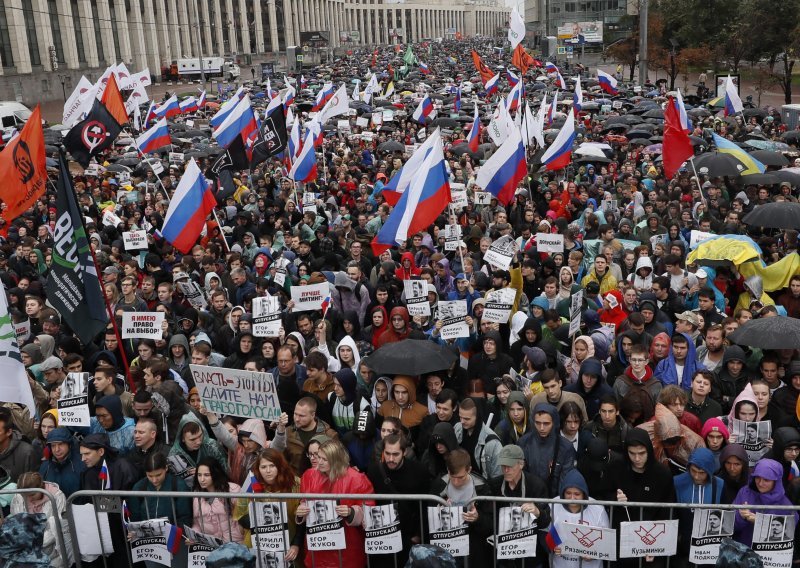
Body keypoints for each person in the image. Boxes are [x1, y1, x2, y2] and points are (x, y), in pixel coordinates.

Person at [297, 438, 374, 568]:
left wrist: (351, 512)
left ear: (336, 459)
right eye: (318, 457)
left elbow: (369, 511)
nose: (318, 462)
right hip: (318, 548)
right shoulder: (309, 475)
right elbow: (304, 502)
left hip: (348, 547)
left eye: (324, 459)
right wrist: (301, 512)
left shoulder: (357, 479)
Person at [234, 448, 302, 563]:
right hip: (257, 545)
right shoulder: (252, 483)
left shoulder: (294, 484)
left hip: (287, 545)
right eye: (263, 467)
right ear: (258, 468)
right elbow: (241, 516)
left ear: (280, 466)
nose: (268, 471)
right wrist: (265, 523)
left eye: (272, 466)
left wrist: (296, 544)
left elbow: (301, 519)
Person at [548, 469, 610, 568]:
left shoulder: (597, 508)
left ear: (584, 494)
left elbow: (607, 540)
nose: (572, 498)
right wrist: (552, 546)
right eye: (568, 493)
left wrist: (593, 555)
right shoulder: (553, 504)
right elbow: (545, 531)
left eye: (577, 494)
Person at [732, 458, 799, 545]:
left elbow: (788, 533)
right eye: (757, 478)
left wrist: (761, 522)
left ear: (776, 481)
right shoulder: (745, 492)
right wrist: (741, 516)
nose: (760, 483)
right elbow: (730, 525)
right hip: (744, 550)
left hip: (770, 554)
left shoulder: (785, 504)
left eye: (766, 480)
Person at [517, 403, 576, 496]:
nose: (541, 428)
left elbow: (565, 480)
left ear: (554, 423)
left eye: (546, 424)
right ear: (533, 422)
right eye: (538, 423)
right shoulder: (523, 443)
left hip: (555, 499)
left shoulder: (565, 447)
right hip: (529, 498)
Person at [191, 457, 244, 543]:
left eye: (206, 475)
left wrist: (240, 530)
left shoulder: (233, 489)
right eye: (199, 475)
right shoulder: (197, 495)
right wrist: (193, 535)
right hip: (211, 545)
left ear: (215, 474)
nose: (202, 479)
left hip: (234, 543)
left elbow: (244, 515)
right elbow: (197, 524)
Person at [454, 397, 502, 479]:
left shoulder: (493, 443)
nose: (462, 421)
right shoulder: (457, 428)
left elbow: (497, 477)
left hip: (481, 487)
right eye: (460, 417)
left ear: (478, 416)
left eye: (466, 419)